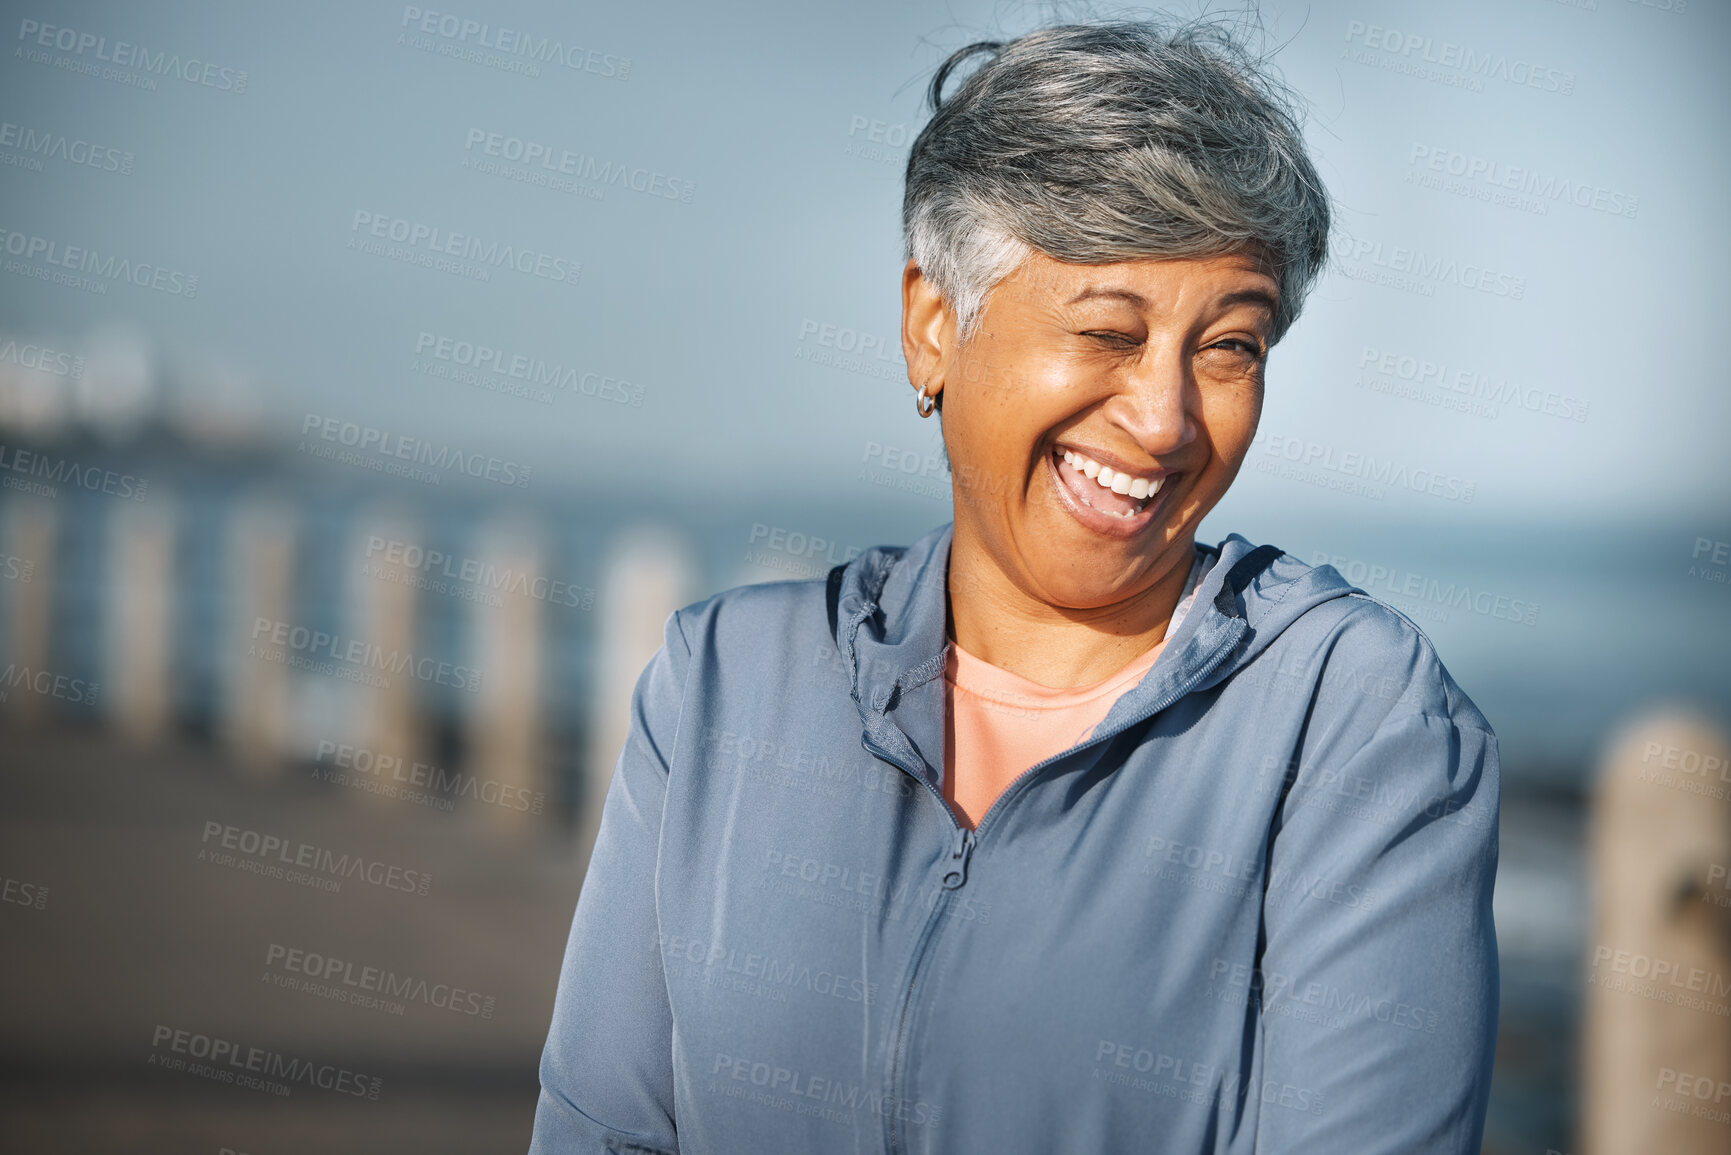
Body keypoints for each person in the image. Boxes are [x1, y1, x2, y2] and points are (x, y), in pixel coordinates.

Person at [530, 19, 1498, 1154]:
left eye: (1230, 347)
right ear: (934, 326)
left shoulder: (1350, 718)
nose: (1166, 419)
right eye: (1106, 331)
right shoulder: (722, 690)